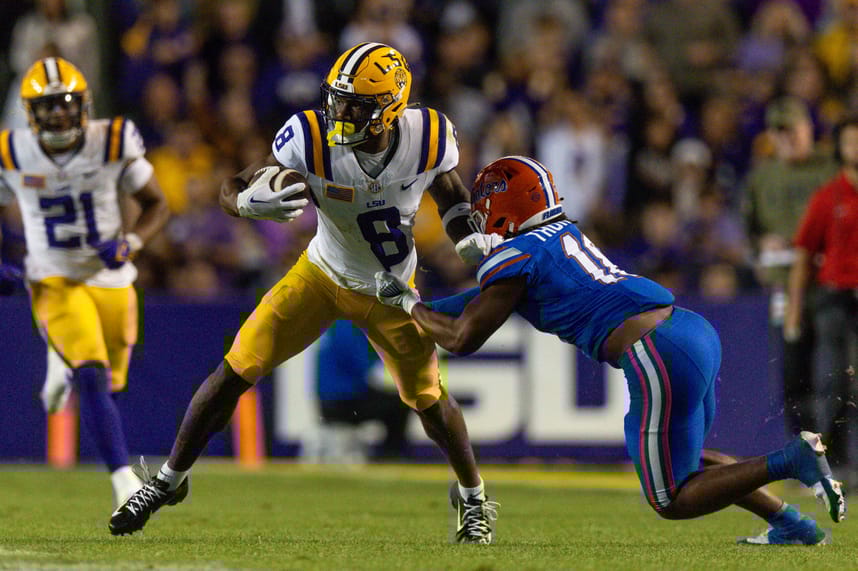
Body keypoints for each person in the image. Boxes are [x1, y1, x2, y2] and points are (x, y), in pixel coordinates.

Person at [109, 42, 501, 543]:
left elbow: (451, 197)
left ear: (389, 110)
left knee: (428, 399)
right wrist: (247, 205)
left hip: (390, 290)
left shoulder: (427, 137)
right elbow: (234, 185)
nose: (339, 113)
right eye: (337, 100)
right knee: (234, 369)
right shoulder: (311, 136)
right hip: (319, 273)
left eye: (355, 105)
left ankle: (474, 499)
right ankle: (168, 481)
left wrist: (464, 234)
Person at [374, 155, 847, 545]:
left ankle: (792, 460)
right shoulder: (558, 235)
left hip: (655, 351)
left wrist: (410, 304)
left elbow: (463, 338)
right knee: (687, 461)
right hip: (689, 330)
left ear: (502, 209)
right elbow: (472, 306)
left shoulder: (516, 257)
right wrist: (409, 307)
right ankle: (793, 525)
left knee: (671, 497)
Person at [0, 57, 170, 506]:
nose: (58, 113)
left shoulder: (111, 140)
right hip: (52, 277)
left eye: (66, 103)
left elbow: (157, 204)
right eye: (48, 105)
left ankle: (62, 361)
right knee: (93, 375)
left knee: (111, 383)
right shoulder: (12, 152)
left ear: (84, 105)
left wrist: (131, 242)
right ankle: (123, 483)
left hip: (110, 276)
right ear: (30, 112)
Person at [741, 96, 838, 438]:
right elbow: (748, 235)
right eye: (779, 132)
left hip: (831, 285)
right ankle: (805, 453)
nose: (788, 138)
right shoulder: (762, 178)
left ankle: (839, 455)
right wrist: (762, 244)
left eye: (792, 129)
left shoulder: (833, 169)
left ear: (808, 128)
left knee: (835, 372)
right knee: (793, 374)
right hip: (784, 287)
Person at [784, 113, 858, 491]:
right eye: (850, 140)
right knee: (833, 382)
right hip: (834, 299)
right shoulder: (828, 197)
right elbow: (803, 255)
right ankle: (832, 466)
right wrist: (795, 310)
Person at [308, 319, 411, 463]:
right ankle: (390, 455)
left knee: (393, 400)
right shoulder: (351, 326)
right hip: (344, 403)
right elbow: (370, 370)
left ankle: (389, 454)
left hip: (329, 403)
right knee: (402, 403)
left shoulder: (336, 323)